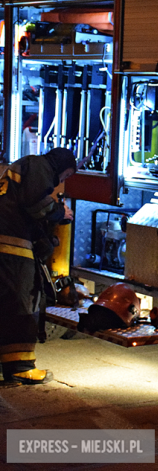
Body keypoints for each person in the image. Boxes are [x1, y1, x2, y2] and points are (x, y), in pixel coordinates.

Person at [0, 147, 76, 386]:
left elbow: (24, 209)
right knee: (22, 306)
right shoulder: (39, 166)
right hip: (12, 250)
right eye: (65, 176)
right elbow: (35, 202)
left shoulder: (25, 166)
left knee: (5, 307)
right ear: (61, 167)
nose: (60, 182)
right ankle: (21, 367)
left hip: (6, 245)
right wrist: (59, 212)